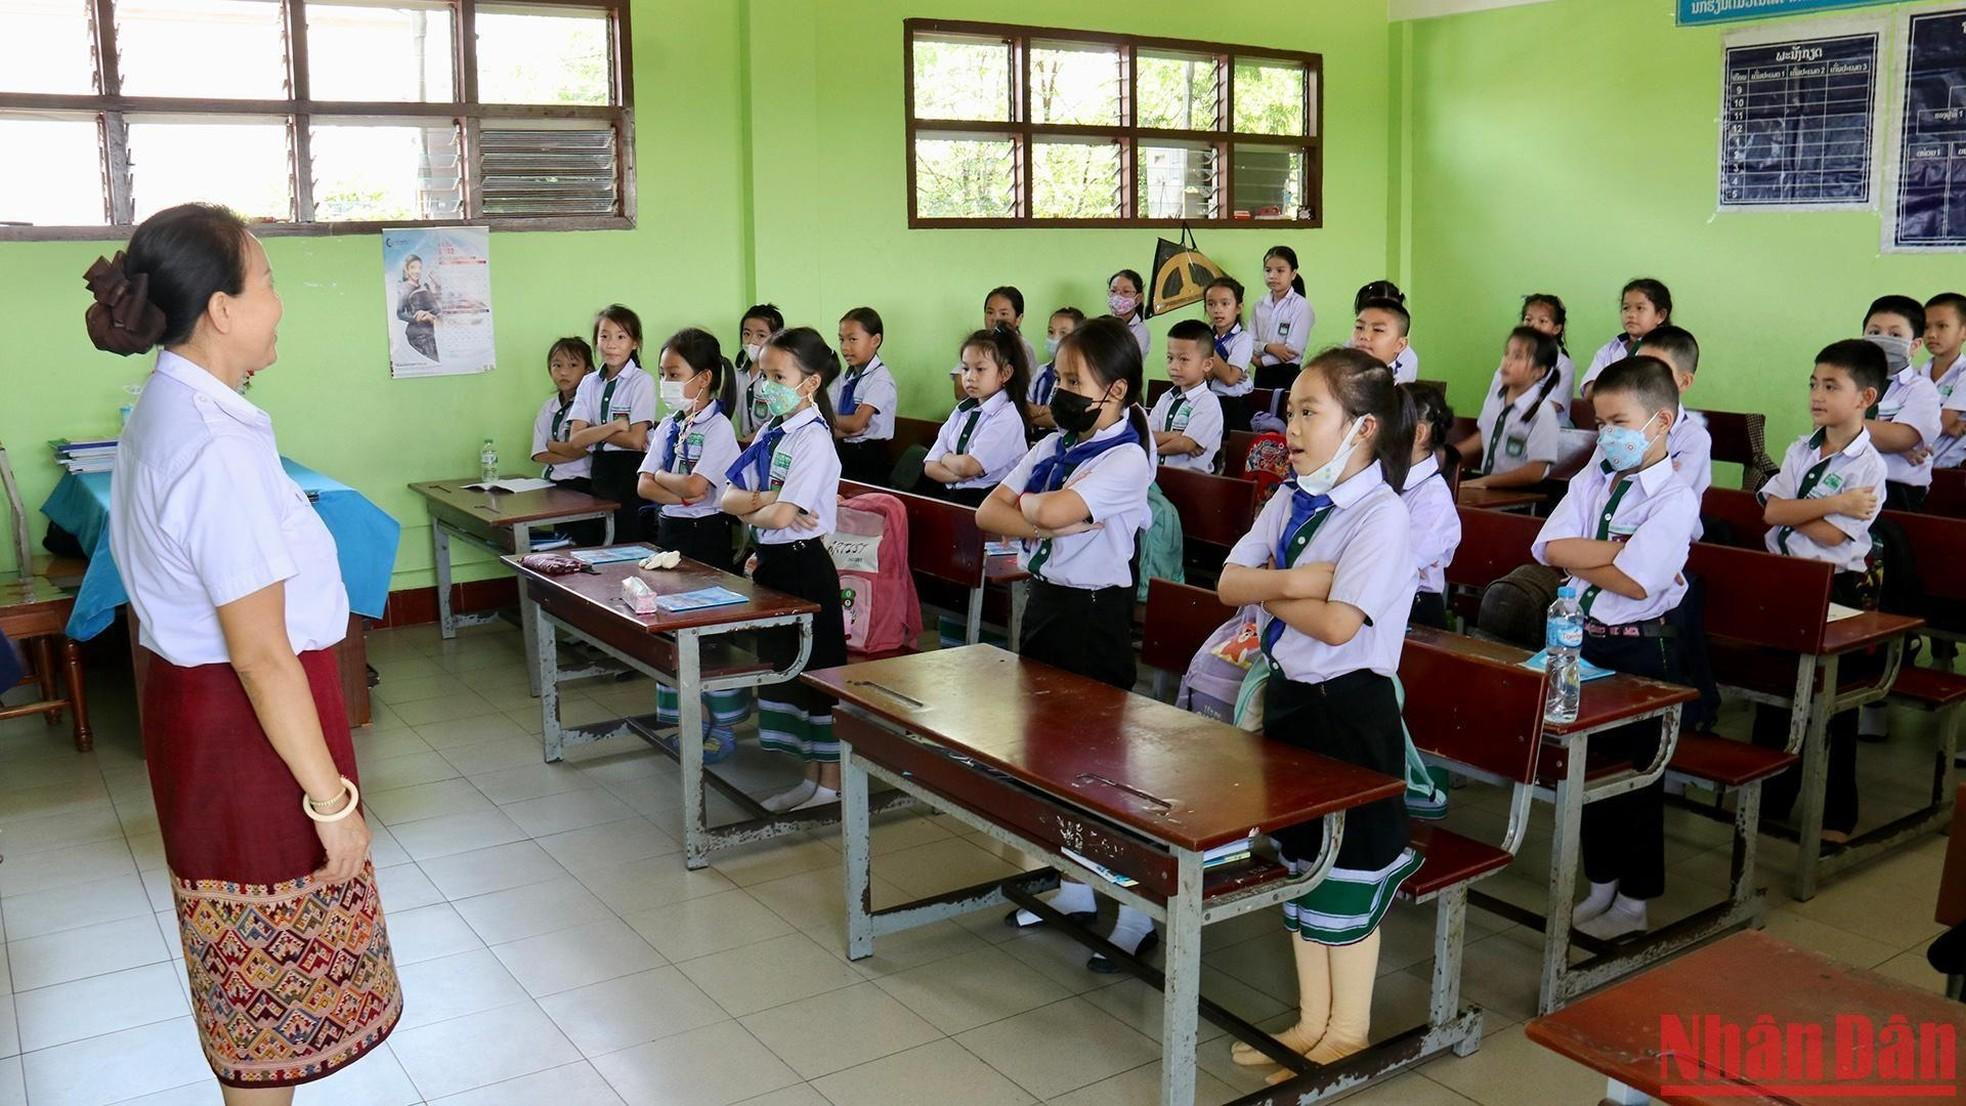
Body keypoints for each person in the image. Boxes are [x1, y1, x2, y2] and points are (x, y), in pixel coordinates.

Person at [88, 202, 401, 1104]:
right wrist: (332, 800)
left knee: (253, 986)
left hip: (218, 720)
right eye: (267, 284)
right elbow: (261, 655)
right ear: (221, 309)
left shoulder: (171, 401)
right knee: (265, 997)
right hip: (249, 732)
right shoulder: (212, 444)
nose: (278, 304)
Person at [1219, 347, 1421, 1079]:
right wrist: (1297, 583)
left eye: (1310, 412)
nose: (1292, 426)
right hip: (1294, 703)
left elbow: (1340, 627)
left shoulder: (1381, 515)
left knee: (1351, 871)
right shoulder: (1291, 497)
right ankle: (1310, 1021)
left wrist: (1267, 590)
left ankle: (1349, 1031)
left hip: (1353, 712)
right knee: (1304, 862)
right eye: (1293, 410)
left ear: (1363, 427)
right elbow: (1224, 583)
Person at [979, 316, 1158, 972]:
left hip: (1096, 618)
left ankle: (1137, 913)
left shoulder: (1126, 456)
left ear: (1113, 391)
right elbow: (986, 512)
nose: (1059, 389)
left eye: (1074, 380)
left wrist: (1042, 511)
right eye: (1057, 375)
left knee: (1105, 772)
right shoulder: (1057, 446)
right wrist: (1050, 513)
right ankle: (1075, 889)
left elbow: (1035, 512)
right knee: (1049, 762)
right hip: (1049, 606)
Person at [1533, 356, 1699, 941]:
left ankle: (1634, 901)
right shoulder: (1593, 479)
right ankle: (1600, 881)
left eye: (1617, 422)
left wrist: (1599, 554)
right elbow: (1547, 547)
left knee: (1636, 779)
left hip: (1640, 654)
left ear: (1660, 421)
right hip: (1584, 644)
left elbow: (1638, 582)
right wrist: (1617, 548)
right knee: (1590, 770)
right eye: (1600, 422)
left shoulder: (1675, 498)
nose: (1606, 435)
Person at [1750, 339, 1890, 844]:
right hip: (1787, 579)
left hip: (1837, 589)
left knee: (1833, 707)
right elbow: (1771, 512)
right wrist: (1833, 502)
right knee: (1775, 693)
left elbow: (1834, 537)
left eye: (1831, 386)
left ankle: (1836, 815)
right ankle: (1771, 796)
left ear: (1864, 397)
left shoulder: (1869, 467)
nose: (1816, 394)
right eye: (1814, 383)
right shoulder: (1799, 449)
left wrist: (1804, 511)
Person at [724, 327, 850, 812]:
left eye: (778, 376)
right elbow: (726, 496)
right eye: (763, 374)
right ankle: (810, 779)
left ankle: (831, 784)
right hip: (773, 562)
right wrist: (771, 501)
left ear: (810, 382)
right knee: (790, 675)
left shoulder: (814, 439)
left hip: (804, 567)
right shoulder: (772, 431)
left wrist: (762, 507)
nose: (764, 385)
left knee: (819, 675)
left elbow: (777, 517)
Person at [640, 328, 747, 763]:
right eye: (662, 372)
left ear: (703, 378)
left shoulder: (719, 428)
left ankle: (722, 727)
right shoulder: (670, 423)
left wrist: (670, 482)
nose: (664, 381)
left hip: (707, 536)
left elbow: (699, 488)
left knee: (710, 633)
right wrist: (675, 487)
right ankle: (691, 720)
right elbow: (645, 486)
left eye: (673, 373)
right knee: (674, 630)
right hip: (671, 532)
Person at [566, 304, 656, 542]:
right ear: (596, 341)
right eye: (604, 336)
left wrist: (592, 431)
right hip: (599, 470)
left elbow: (636, 440)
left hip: (630, 471)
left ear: (635, 342)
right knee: (598, 540)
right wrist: (615, 426)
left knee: (629, 540)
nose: (611, 344)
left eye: (620, 337)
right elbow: (575, 440)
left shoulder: (641, 382)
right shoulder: (588, 383)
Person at [917, 327, 1033, 506]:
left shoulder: (1007, 417)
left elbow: (970, 466)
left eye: (980, 369)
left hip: (986, 501)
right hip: (953, 494)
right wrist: (959, 473)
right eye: (965, 368)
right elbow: (930, 467)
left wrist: (945, 458)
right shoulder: (961, 411)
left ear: (1005, 373)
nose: (970, 377)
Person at [1861, 294, 1942, 509]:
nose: (1882, 339)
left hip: (1895, 489)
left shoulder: (1922, 389)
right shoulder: (1850, 380)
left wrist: (1842, 423)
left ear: (1915, 345)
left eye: (1895, 334)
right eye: (1874, 332)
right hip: (1847, 479)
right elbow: (1822, 427)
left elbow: (1901, 438)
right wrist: (1884, 435)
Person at [1459, 327, 1561, 489]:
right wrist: (1448, 455)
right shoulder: (1496, 397)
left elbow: (1535, 472)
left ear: (1538, 371)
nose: (1507, 361)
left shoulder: (1543, 413)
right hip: (1488, 488)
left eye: (1518, 356)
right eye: (1506, 353)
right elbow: (1484, 434)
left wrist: (1485, 482)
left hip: (1520, 496)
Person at [1401, 382, 1460, 630]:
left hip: (1416, 610)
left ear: (1418, 434)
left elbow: (1399, 565)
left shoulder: (1433, 498)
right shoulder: (1383, 481)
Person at [830, 306, 897, 485]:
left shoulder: (880, 379)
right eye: (841, 339)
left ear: (875, 340)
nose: (845, 347)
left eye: (853, 340)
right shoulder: (848, 376)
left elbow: (856, 424)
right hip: (845, 451)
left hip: (869, 457)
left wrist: (825, 416)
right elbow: (846, 425)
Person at [1149, 319, 1227, 472]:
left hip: (1191, 485)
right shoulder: (1165, 398)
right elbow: (1148, 436)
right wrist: (1176, 436)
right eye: (1170, 358)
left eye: (1183, 359)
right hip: (1156, 477)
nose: (1174, 366)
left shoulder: (1208, 402)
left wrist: (1152, 450)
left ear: (1207, 364)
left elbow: (1186, 445)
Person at [1580, 278, 1672, 398]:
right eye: (1626, 308)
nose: (1631, 314)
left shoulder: (1665, 350)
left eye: (1640, 308)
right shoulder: (1609, 350)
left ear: (1660, 315)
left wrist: (1608, 387)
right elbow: (1589, 392)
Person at [950, 286, 1041, 403]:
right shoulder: (977, 343)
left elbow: (1026, 393)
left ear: (1018, 318)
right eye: (990, 312)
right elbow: (959, 391)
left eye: (1003, 314)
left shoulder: (1024, 348)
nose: (996, 319)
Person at [1252, 245, 1313, 391]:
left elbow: (1292, 350)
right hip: (1261, 375)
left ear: (1293, 273)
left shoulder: (1301, 306)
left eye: (1280, 270)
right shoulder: (1258, 305)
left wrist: (1262, 360)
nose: (1272, 275)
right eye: (1268, 270)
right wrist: (1268, 347)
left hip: (1287, 374)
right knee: (1261, 413)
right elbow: (1249, 341)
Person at [1205, 276, 1256, 434]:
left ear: (1238, 308)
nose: (1217, 310)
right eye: (1211, 304)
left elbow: (1230, 379)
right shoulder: (1205, 335)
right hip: (1207, 401)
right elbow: (1196, 373)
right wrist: (1222, 370)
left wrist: (1206, 349)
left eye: (1225, 303)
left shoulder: (1243, 339)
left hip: (1233, 407)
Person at [1924, 292, 1966, 468]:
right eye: (1926, 327)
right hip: (1909, 470)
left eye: (1942, 326)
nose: (1932, 334)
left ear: (1964, 331)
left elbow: (1941, 423)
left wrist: (1944, 425)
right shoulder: (1916, 375)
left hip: (1949, 472)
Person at [1028, 307, 1083, 435]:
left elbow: (1061, 418)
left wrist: (1036, 415)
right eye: (1051, 332)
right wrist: (1045, 410)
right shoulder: (1041, 371)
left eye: (1063, 333)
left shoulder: (1079, 375)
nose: (1055, 338)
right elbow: (1025, 407)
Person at [734, 303, 785, 440]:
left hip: (771, 444)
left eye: (761, 335)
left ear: (777, 338)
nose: (752, 341)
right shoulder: (737, 372)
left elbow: (780, 420)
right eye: (746, 334)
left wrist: (751, 441)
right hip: (746, 444)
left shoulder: (782, 376)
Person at [1353, 280, 1419, 381]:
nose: (1364, 335)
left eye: (1378, 330)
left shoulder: (1409, 359)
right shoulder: (1344, 355)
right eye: (1359, 327)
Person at [394, 253, 439, 361]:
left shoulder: (425, 286)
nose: (417, 271)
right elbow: (399, 313)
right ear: (406, 269)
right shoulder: (404, 288)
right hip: (419, 336)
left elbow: (436, 309)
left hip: (431, 332)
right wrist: (416, 318)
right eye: (413, 267)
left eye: (419, 267)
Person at [1109, 268, 1150, 358]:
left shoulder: (1140, 332)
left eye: (1126, 291)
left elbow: (1123, 361)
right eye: (1113, 291)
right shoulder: (1102, 325)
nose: (1117, 296)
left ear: (1138, 298)